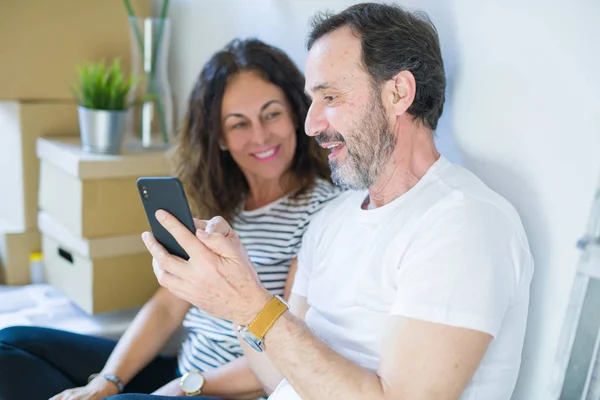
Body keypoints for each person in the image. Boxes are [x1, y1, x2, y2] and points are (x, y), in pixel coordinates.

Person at [139, 3, 535, 400]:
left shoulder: (464, 223)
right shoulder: (332, 219)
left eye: (330, 96)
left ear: (399, 92)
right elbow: (279, 379)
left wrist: (249, 305)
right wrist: (240, 286)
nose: (311, 124)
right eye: (312, 101)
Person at [0, 38, 340, 400]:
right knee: (10, 345)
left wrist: (184, 387)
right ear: (220, 138)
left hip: (229, 390)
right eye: (238, 124)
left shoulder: (322, 214)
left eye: (272, 114)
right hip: (185, 369)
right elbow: (166, 307)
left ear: (295, 114)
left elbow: (288, 355)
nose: (260, 136)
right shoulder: (226, 203)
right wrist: (105, 381)